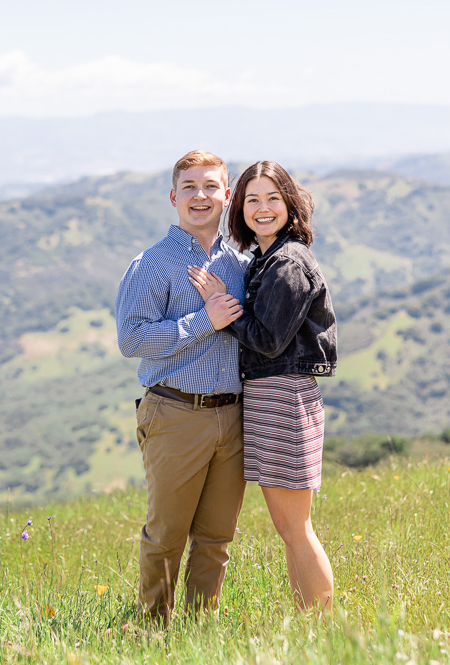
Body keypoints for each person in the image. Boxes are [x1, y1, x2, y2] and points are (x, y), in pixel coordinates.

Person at [188, 160, 337, 610]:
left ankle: (324, 628)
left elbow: (268, 340)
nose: (262, 208)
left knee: (295, 528)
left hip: (283, 399)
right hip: (274, 398)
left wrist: (219, 304)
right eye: (253, 199)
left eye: (273, 198)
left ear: (290, 204)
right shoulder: (268, 259)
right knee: (289, 528)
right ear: (241, 208)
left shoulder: (288, 263)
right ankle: (311, 623)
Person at [115, 150, 250, 624]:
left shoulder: (240, 264)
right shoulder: (153, 263)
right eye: (189, 187)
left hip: (233, 416)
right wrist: (203, 320)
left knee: (217, 537)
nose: (200, 196)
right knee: (167, 536)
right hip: (174, 413)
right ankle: (152, 632)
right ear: (174, 197)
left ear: (227, 195)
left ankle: (198, 631)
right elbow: (131, 338)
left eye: (210, 186)